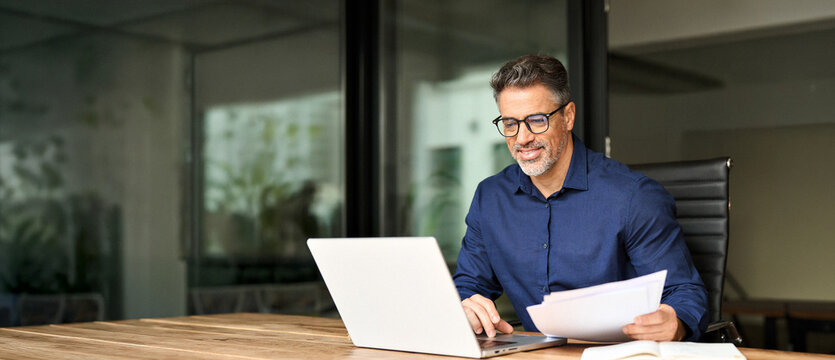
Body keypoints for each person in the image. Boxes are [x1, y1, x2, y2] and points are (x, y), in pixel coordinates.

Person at [452, 54, 709, 342]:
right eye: (510, 123)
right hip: (536, 353)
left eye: (536, 120)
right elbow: (469, 286)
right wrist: (466, 306)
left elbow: (684, 293)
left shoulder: (632, 197)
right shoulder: (490, 198)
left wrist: (674, 322)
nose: (522, 138)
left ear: (568, 116)